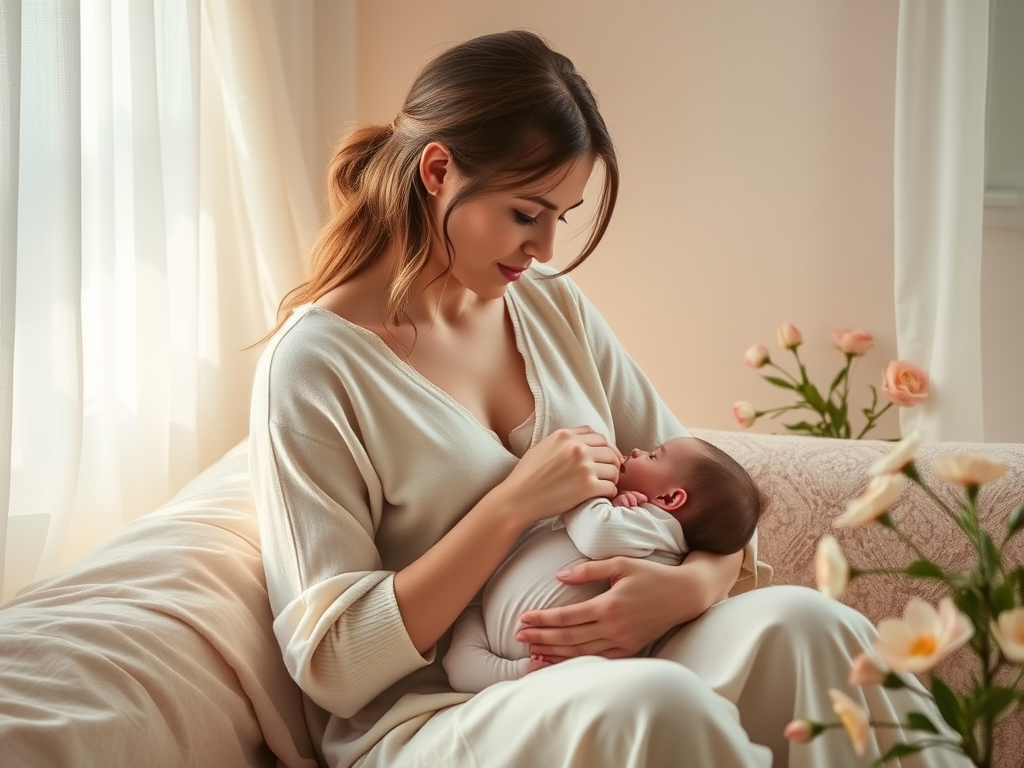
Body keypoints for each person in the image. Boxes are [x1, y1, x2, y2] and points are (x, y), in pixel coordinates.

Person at [248, 29, 970, 768]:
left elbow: (713, 501)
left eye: (560, 217)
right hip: (440, 713)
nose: (544, 248)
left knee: (807, 624)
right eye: (525, 214)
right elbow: (333, 664)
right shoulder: (313, 367)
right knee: (655, 703)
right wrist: (511, 506)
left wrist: (685, 590)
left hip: (622, 662)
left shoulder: (548, 305)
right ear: (438, 170)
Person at [442, 435, 764, 693]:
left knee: (466, 654)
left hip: (570, 654)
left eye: (653, 456)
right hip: (493, 622)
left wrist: (586, 491)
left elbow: (595, 533)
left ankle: (523, 672)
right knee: (457, 661)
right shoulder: (634, 516)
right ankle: (516, 673)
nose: (636, 450)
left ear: (669, 499)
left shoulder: (659, 526)